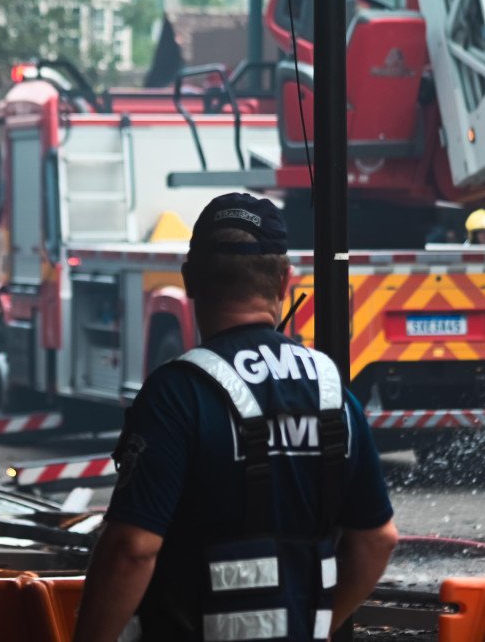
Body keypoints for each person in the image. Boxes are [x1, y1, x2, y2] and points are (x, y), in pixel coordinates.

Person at [73, 193, 397, 642]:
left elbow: (132, 549)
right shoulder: (331, 392)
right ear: (285, 281)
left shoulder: (175, 395)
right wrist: (317, 625)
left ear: (189, 280)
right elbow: (377, 540)